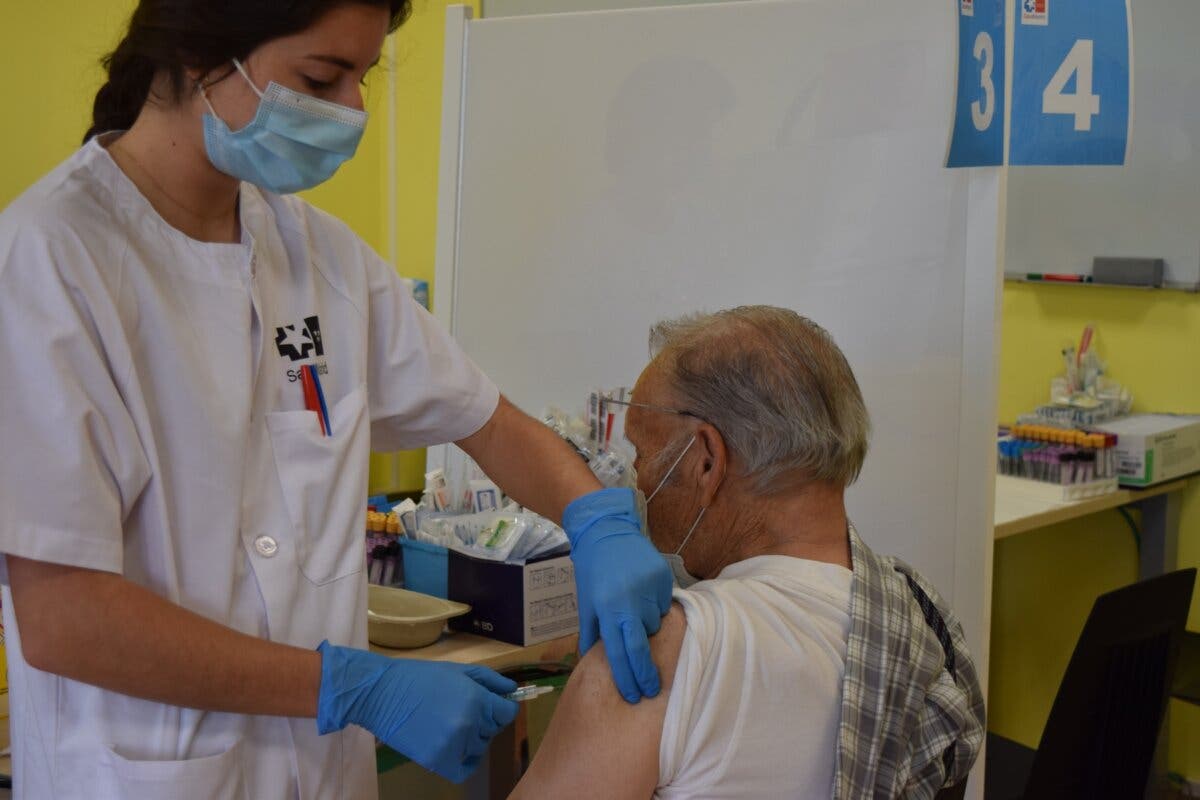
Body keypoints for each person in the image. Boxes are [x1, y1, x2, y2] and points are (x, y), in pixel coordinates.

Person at [0, 2, 671, 797]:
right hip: (143, 773)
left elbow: (486, 420)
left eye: (365, 74)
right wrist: (349, 687)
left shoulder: (316, 256)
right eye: (323, 77)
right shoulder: (45, 266)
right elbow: (67, 621)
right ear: (196, 53)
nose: (353, 108)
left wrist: (596, 518)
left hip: (321, 775)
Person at [512, 306, 986, 799]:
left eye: (642, 454)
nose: (638, 480)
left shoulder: (659, 660)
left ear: (706, 461)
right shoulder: (917, 618)